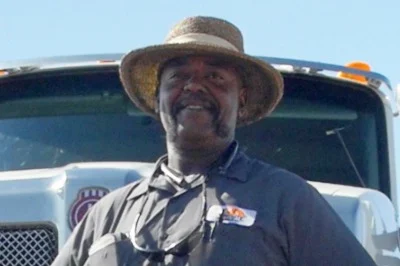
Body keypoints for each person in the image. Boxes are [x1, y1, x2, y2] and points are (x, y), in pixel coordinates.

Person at [52, 16, 377, 266]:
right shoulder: (107, 213)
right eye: (178, 76)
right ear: (157, 97)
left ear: (242, 99)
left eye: (215, 77)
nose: (194, 86)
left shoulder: (287, 200)